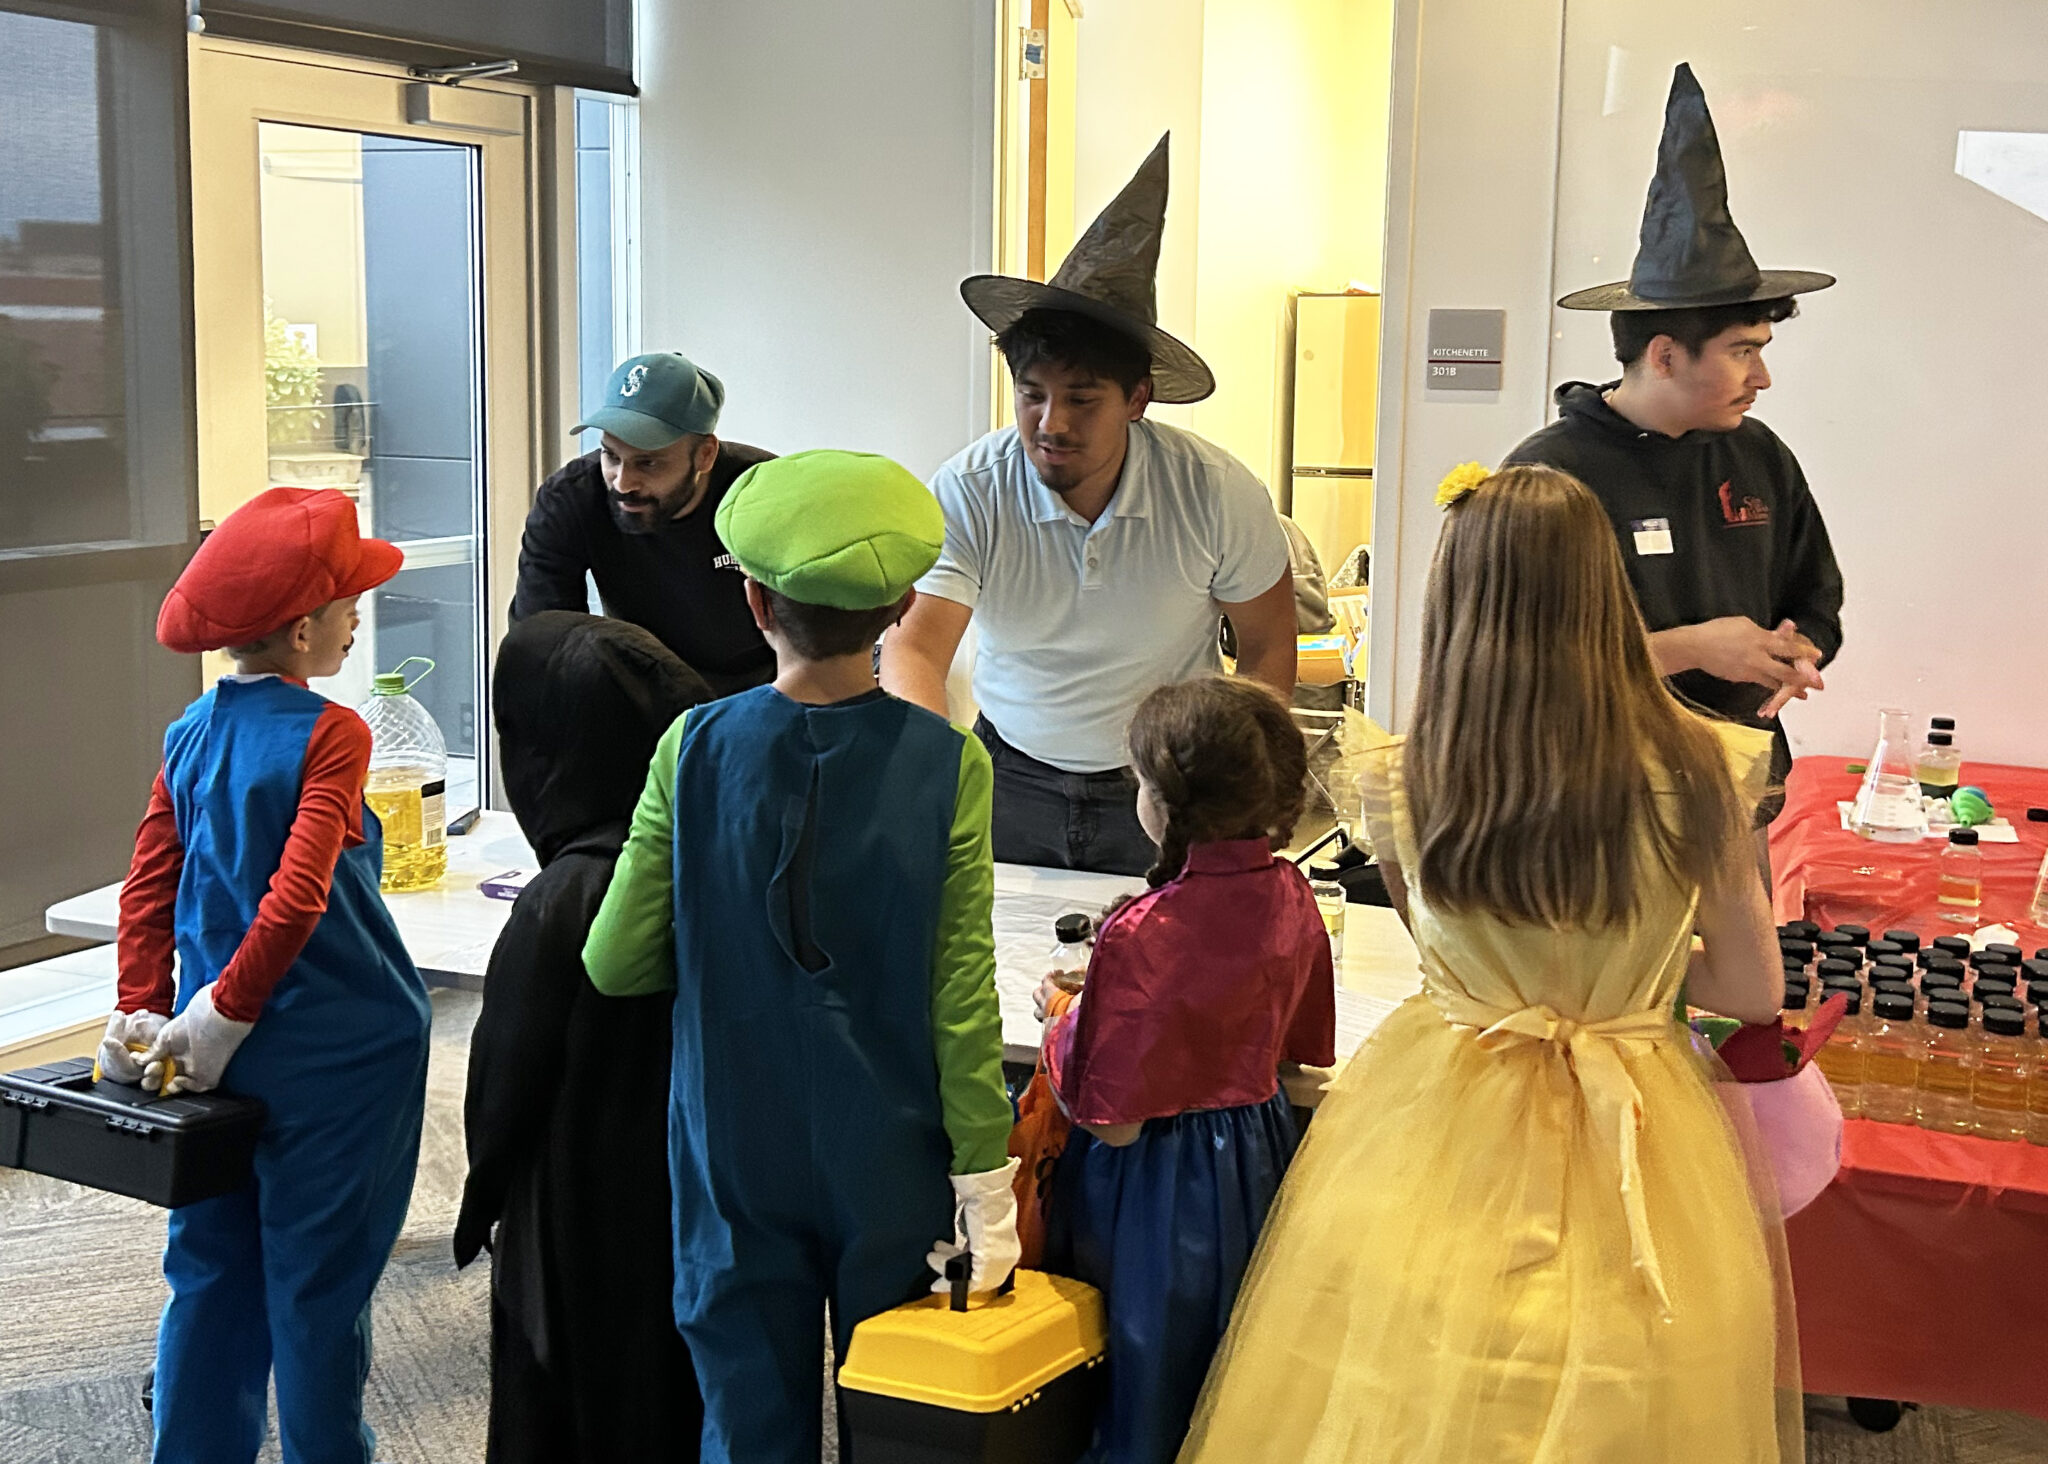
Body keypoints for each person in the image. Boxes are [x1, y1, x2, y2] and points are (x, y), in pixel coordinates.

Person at [1178, 465, 1798, 1464]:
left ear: (1453, 603)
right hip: (1632, 1127)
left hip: (1438, 1113)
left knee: (1399, 1378)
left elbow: (1446, 952)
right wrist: (1641, 965)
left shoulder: (1398, 776)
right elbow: (1748, 991)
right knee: (1636, 1383)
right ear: (1605, 595)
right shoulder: (1703, 767)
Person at [581, 450, 1021, 1464]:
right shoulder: (951, 762)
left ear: (753, 603)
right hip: (893, 1142)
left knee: (742, 1415)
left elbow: (616, 963)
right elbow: (958, 989)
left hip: (733, 1138)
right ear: (904, 606)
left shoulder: (690, 747)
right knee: (897, 1409)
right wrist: (982, 1170)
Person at [99, 486, 432, 1464]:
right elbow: (300, 896)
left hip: (211, 1057)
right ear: (301, 628)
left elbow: (147, 884)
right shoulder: (333, 734)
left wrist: (145, 1010)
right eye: (346, 604)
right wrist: (229, 1011)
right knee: (317, 1283)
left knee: (209, 1268)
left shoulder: (191, 731)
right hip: (342, 1050)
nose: (356, 617)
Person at [881, 135, 1299, 877]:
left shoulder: (1213, 489)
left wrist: (1233, 784)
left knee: (1162, 970)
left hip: (1166, 782)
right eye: (1032, 396)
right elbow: (915, 647)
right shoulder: (973, 486)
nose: (1052, 424)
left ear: (1137, 399)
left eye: (1082, 400)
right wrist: (931, 765)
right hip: (1010, 770)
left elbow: (1267, 643)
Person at [1505, 63, 1843, 813]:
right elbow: (1513, 667)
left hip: (1738, 785)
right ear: (1664, 354)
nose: (1761, 380)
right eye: (1742, 352)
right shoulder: (1547, 477)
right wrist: (1692, 648)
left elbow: (1816, 596)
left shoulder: (1759, 457)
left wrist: (1796, 648)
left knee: (1750, 937)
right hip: (1595, 799)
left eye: (1762, 350)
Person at [1033, 676, 1334, 1464]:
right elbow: (1293, 1049)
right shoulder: (1290, 891)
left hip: (1159, 1193)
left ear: (1165, 803)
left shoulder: (1144, 931)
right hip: (1256, 1161)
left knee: (1142, 1369)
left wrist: (1066, 1016)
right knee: (1229, 1362)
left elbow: (1114, 1120)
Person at [454, 611, 713, 1462]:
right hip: (691, 1179)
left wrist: (480, 1194)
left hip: (574, 1193)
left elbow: (509, 1067)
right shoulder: (703, 850)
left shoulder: (566, 895)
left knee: (562, 1404)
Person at [512, 351, 778, 696]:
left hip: (758, 692)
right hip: (639, 694)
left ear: (705, 454)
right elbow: (542, 639)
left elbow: (812, 638)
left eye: (648, 463)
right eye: (611, 455)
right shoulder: (571, 498)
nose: (623, 483)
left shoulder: (763, 491)